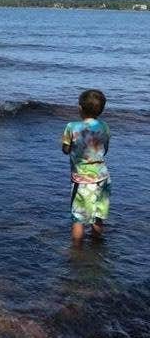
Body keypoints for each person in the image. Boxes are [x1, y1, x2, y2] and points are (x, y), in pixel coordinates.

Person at [62, 89, 111, 243]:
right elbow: (106, 149)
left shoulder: (71, 127)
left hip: (83, 180)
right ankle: (96, 245)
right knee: (98, 216)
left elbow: (65, 149)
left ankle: (77, 251)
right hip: (103, 178)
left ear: (80, 108)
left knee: (78, 218)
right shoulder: (104, 126)